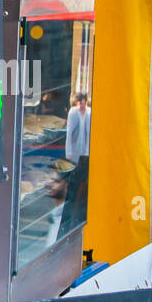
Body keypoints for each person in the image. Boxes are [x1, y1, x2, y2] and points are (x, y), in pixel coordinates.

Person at [64, 91, 91, 233]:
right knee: (73, 177)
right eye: (80, 102)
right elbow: (69, 134)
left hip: (85, 153)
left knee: (82, 178)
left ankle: (77, 204)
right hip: (75, 152)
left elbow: (89, 133)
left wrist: (88, 152)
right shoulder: (73, 113)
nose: (82, 105)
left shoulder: (89, 113)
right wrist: (68, 152)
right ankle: (72, 200)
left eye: (84, 102)